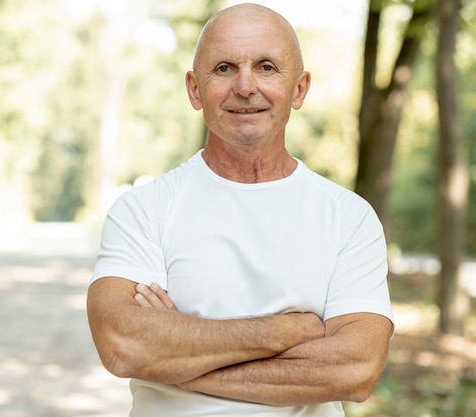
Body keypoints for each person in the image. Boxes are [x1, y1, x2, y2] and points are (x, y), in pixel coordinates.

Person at [87, 3, 394, 416]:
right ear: (195, 89)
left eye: (267, 67)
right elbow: (124, 345)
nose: (246, 86)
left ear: (299, 89)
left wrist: (178, 359)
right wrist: (290, 329)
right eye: (225, 68)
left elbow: (355, 369)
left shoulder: (349, 217)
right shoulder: (144, 209)